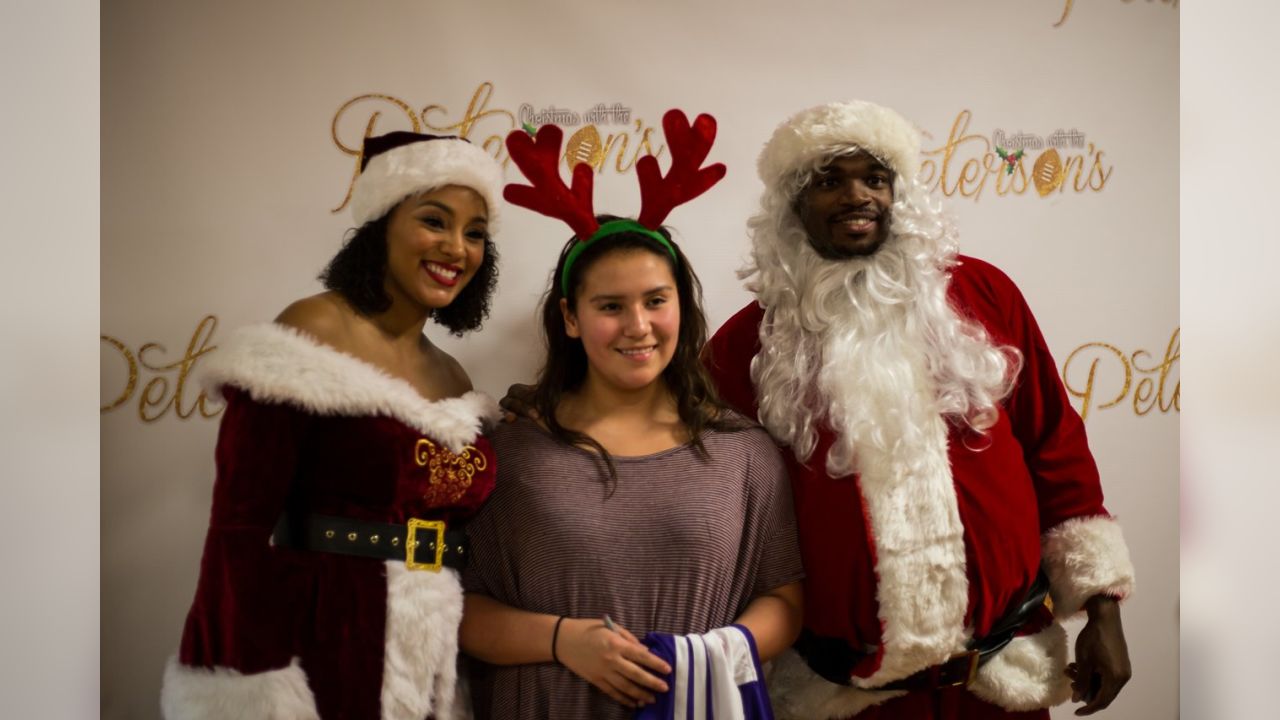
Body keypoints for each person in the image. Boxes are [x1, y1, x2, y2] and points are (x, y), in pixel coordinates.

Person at [701, 100, 1136, 719]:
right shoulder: (747, 344)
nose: (858, 196)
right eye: (830, 180)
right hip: (845, 696)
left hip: (1001, 683)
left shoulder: (985, 294)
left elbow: (1053, 444)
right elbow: (701, 488)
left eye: (875, 178)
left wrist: (1102, 606)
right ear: (793, 205)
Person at [460, 111, 805, 720]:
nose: (638, 327)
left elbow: (784, 597)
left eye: (655, 300)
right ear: (571, 318)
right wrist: (564, 640)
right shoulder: (509, 450)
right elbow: (460, 608)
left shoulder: (742, 452)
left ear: (680, 305)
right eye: (610, 306)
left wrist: (716, 654)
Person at [161, 132, 505, 720]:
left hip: (431, 649)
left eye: (475, 232)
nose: (457, 248)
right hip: (321, 634)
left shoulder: (451, 373)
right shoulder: (313, 328)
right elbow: (238, 526)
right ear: (381, 224)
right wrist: (249, 678)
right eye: (434, 221)